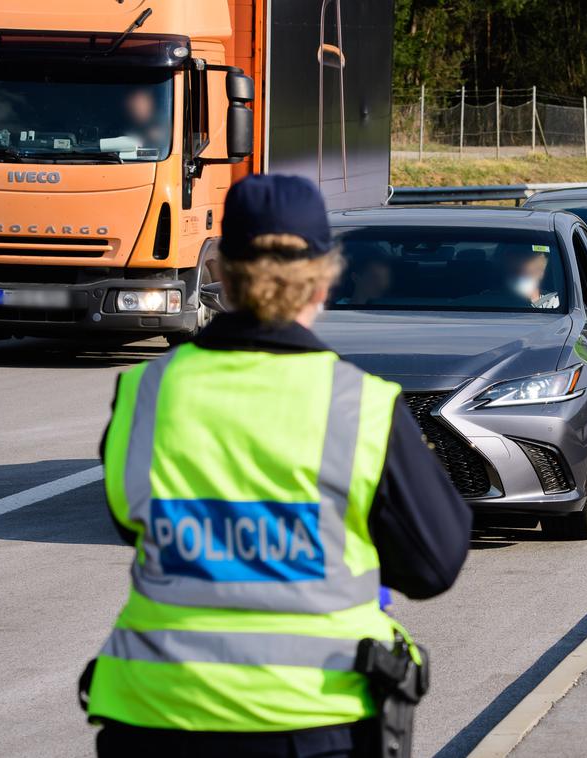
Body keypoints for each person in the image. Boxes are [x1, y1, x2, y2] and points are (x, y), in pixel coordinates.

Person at [81, 174, 472, 757]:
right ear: (323, 276)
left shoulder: (146, 391)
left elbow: (127, 520)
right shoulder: (359, 403)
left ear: (219, 269)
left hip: (157, 716)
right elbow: (433, 564)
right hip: (314, 722)